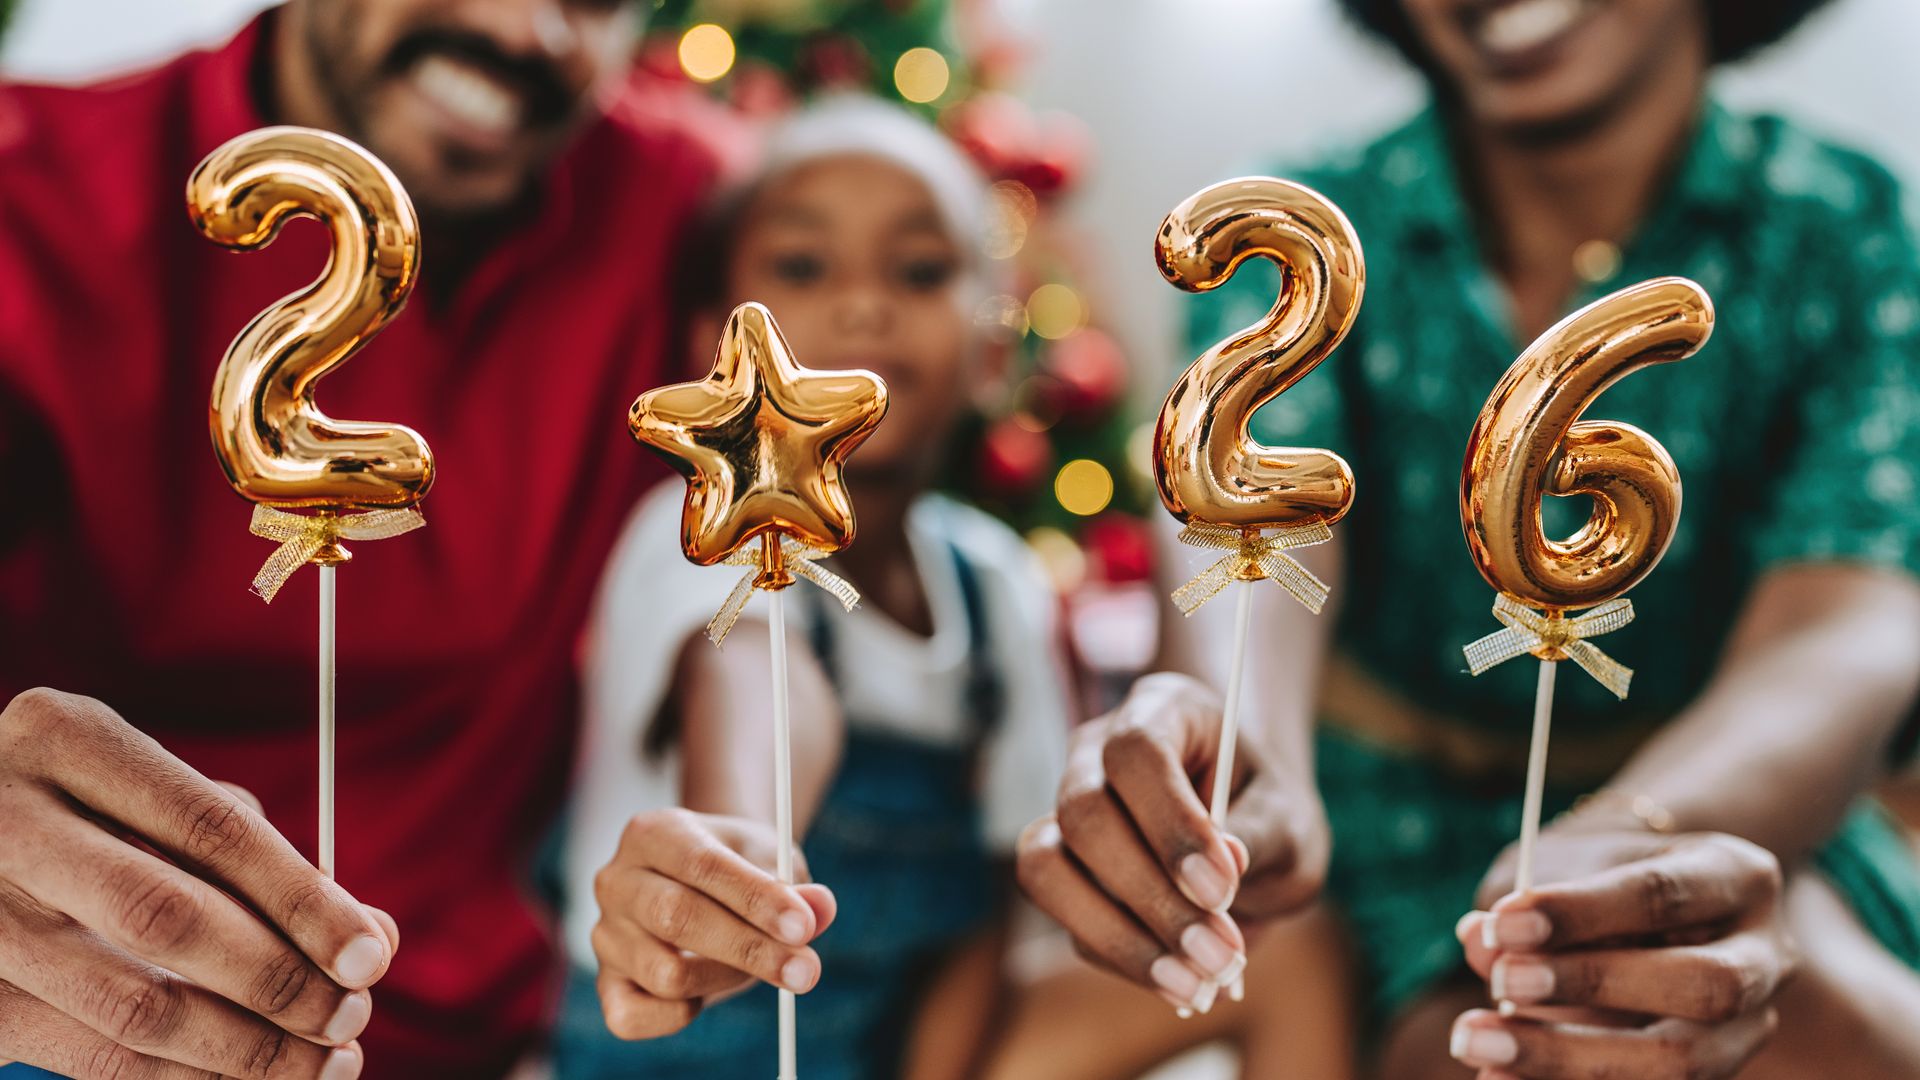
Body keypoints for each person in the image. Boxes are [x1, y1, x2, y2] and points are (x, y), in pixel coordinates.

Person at [1016, 0, 1920, 1078]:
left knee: (1837, 1028)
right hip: (1375, 844)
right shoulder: (1301, 224)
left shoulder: (1846, 225)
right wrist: (1233, 742)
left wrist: (1640, 833)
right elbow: (1248, 533)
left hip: (1737, 809)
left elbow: (1848, 626)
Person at [0, 1, 728, 1075]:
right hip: (75, 1026)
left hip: (497, 1040)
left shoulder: (698, 214)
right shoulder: (28, 191)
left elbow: (807, 596)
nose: (527, 30)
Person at [550, 95, 1084, 1079]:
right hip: (658, 1047)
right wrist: (743, 849)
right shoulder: (692, 539)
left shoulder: (999, 586)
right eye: (802, 267)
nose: (863, 304)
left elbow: (992, 908)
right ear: (712, 348)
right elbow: (754, 674)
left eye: (920, 272)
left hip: (892, 1044)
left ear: (994, 355)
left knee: (1293, 955)